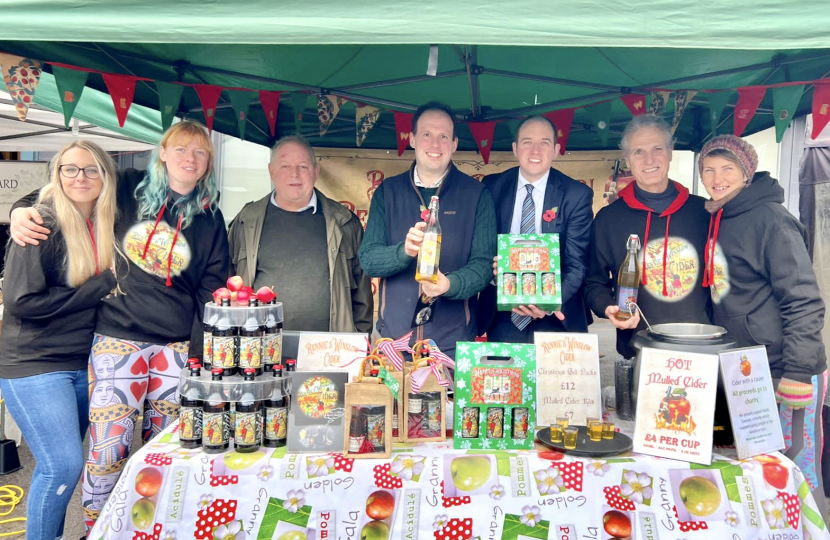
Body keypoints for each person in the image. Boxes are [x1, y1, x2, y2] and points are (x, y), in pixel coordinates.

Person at [10, 120, 230, 531]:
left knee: (166, 450)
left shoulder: (211, 217)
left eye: (200, 153)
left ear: (208, 164)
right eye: (181, 149)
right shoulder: (127, 185)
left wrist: (200, 354)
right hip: (117, 340)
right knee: (108, 450)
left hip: (176, 348)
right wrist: (18, 211)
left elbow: (211, 289)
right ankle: (98, 529)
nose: (190, 158)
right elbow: (66, 191)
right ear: (162, 153)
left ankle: (153, 527)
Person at [698, 134, 827, 508]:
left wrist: (799, 372)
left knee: (797, 470)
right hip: (748, 368)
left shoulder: (772, 220)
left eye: (727, 169)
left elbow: (804, 299)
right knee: (762, 473)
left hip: (785, 370)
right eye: (708, 169)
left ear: (747, 172)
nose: (717, 177)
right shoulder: (721, 214)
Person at [0, 141, 118, 540]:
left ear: (106, 176)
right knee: (61, 465)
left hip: (83, 362)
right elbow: (21, 302)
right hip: (34, 362)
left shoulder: (106, 222)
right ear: (57, 173)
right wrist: (100, 285)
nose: (80, 178)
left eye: (90, 170)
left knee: (65, 467)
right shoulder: (41, 223)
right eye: (70, 169)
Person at [358, 102, 497, 357]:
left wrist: (449, 285)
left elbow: (483, 265)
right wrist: (404, 252)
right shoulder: (387, 192)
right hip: (395, 344)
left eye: (444, 136)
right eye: (426, 134)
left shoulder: (476, 195)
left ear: (454, 144)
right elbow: (369, 260)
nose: (435, 144)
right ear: (411, 139)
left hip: (453, 345)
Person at [584, 114, 711, 359]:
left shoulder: (704, 212)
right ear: (627, 159)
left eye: (657, 148)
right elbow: (593, 282)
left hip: (702, 347)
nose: (649, 159)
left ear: (671, 151)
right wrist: (607, 307)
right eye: (638, 152)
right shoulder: (609, 219)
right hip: (639, 350)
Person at [228, 135, 372, 333]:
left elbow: (362, 295)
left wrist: (359, 341)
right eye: (285, 166)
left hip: (329, 351)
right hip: (259, 347)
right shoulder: (245, 221)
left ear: (316, 171)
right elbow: (227, 286)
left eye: (303, 166)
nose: (294, 174)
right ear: (271, 171)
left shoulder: (344, 222)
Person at [478, 116, 594, 342]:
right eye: (527, 142)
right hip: (502, 314)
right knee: (506, 376)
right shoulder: (491, 188)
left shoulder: (575, 195)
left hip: (558, 316)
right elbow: (479, 249)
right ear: (515, 148)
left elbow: (578, 263)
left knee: (554, 379)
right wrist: (490, 272)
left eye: (544, 143)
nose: (535, 150)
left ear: (556, 149)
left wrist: (548, 302)